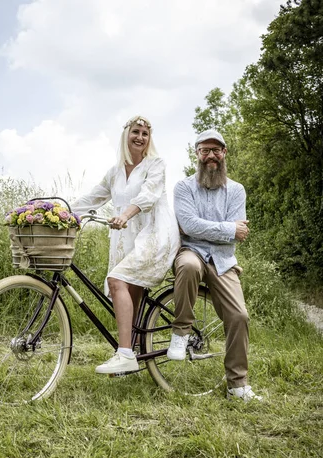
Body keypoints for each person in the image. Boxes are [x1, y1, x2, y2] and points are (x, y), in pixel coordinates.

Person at [72, 115, 180, 375]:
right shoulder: (115, 172)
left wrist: (125, 214)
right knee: (130, 291)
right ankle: (131, 351)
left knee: (117, 280)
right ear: (126, 135)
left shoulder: (155, 165)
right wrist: (62, 212)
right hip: (127, 238)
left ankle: (124, 354)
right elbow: (93, 197)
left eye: (145, 133)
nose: (140, 137)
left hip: (155, 234)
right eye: (136, 131)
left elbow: (149, 195)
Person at [167, 129, 262, 401]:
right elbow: (189, 225)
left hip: (222, 260)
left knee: (239, 316)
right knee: (187, 266)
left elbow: (238, 231)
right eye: (205, 150)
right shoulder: (184, 187)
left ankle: (237, 385)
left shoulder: (236, 190)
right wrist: (228, 229)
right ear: (196, 154)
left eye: (216, 150)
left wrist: (226, 231)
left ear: (224, 153)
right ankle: (180, 332)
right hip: (192, 252)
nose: (211, 155)